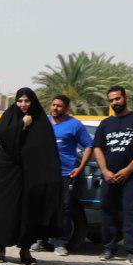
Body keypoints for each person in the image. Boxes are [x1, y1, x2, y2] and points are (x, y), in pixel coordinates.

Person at [0, 88, 61, 265]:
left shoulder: (40, 120)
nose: (23, 104)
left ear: (33, 102)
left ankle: (25, 250)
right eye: (20, 101)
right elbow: (2, 135)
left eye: (27, 101)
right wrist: (22, 124)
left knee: (30, 211)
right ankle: (1, 247)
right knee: (6, 209)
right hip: (8, 172)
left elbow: (47, 148)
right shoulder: (9, 116)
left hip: (31, 173)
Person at [94, 85, 133, 265]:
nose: (115, 102)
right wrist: (105, 171)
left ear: (126, 98)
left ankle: (132, 252)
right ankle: (108, 249)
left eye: (117, 98)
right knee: (108, 212)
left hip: (131, 178)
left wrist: (128, 169)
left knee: (131, 214)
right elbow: (97, 148)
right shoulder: (105, 123)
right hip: (109, 177)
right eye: (111, 100)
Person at [41, 94, 93, 256]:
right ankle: (41, 240)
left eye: (59, 106)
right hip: (45, 174)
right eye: (53, 105)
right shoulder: (44, 121)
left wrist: (80, 167)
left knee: (64, 209)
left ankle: (60, 243)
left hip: (66, 174)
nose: (55, 108)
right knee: (44, 207)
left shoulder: (75, 125)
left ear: (67, 108)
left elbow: (89, 145)